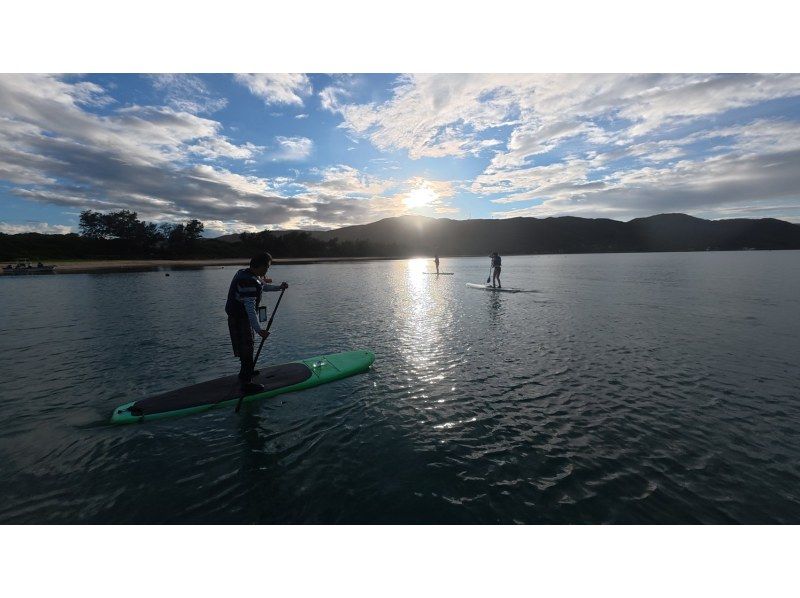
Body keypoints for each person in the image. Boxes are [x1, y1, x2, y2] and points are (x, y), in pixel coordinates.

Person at [225, 253, 288, 393]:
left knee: (247, 346)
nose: (267, 270)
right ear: (259, 266)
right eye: (267, 267)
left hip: (241, 317)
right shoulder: (247, 281)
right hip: (239, 318)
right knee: (247, 349)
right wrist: (260, 330)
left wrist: (279, 287)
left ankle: (245, 372)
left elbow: (262, 286)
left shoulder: (247, 273)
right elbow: (250, 309)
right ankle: (246, 384)